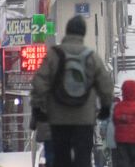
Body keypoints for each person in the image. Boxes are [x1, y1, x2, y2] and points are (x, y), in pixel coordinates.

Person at [31, 16, 114, 167]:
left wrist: (37, 108)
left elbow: (39, 82)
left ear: (67, 31)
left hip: (58, 117)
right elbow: (105, 83)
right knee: (83, 158)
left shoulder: (53, 54)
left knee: (61, 158)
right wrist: (105, 107)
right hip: (84, 118)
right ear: (83, 33)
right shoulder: (91, 56)